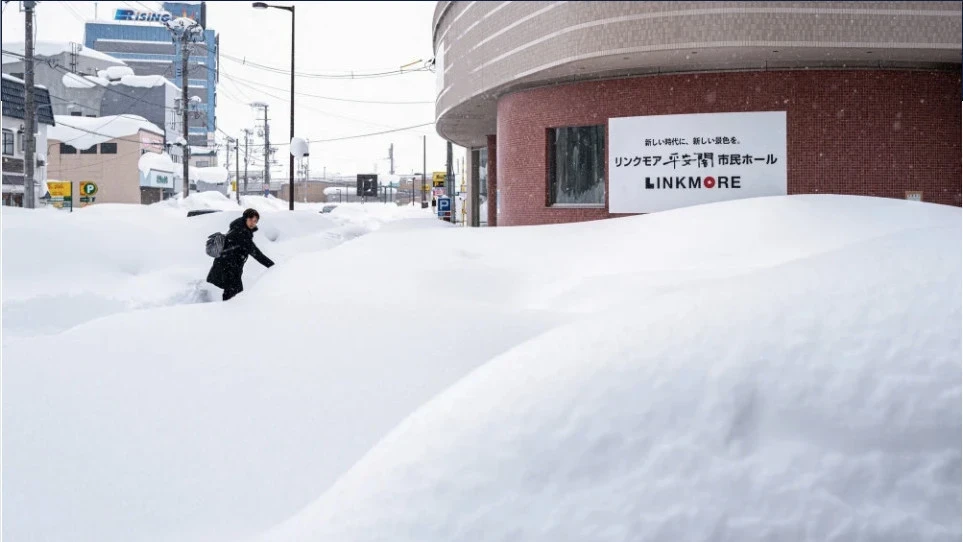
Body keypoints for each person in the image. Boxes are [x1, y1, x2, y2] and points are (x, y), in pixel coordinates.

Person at [207, 208, 274, 301]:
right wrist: (274, 267)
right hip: (229, 269)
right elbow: (257, 254)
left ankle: (226, 312)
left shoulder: (238, 228)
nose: (252, 223)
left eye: (255, 221)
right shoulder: (241, 233)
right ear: (245, 218)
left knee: (234, 296)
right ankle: (227, 313)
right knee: (235, 298)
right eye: (250, 220)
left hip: (228, 268)